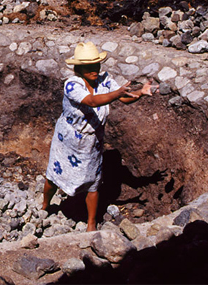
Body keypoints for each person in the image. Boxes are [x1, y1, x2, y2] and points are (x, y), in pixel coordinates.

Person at [42, 41, 156, 232]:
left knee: (93, 181)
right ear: (79, 68)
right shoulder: (72, 85)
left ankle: (91, 223)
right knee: (55, 175)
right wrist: (117, 93)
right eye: (89, 66)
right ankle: (45, 206)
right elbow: (93, 101)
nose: (94, 69)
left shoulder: (105, 80)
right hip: (69, 140)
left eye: (96, 64)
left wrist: (140, 93)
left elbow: (124, 97)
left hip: (92, 140)